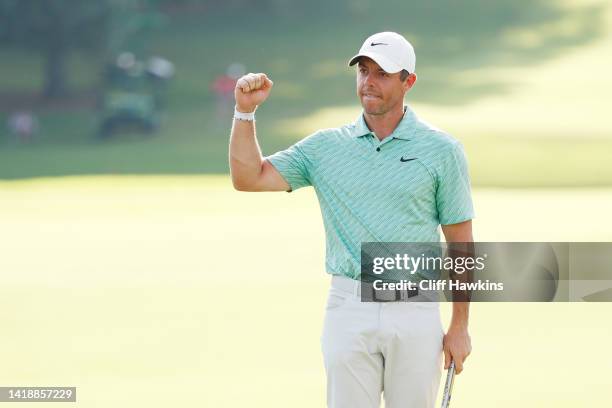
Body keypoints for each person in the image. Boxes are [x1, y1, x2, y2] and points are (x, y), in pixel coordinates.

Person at [229, 31, 474, 408]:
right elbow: (248, 178)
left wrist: (459, 326)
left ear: (408, 82)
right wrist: (245, 112)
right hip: (348, 306)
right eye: (363, 70)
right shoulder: (326, 147)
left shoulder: (441, 151)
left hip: (415, 307)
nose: (368, 82)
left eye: (382, 73)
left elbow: (461, 243)